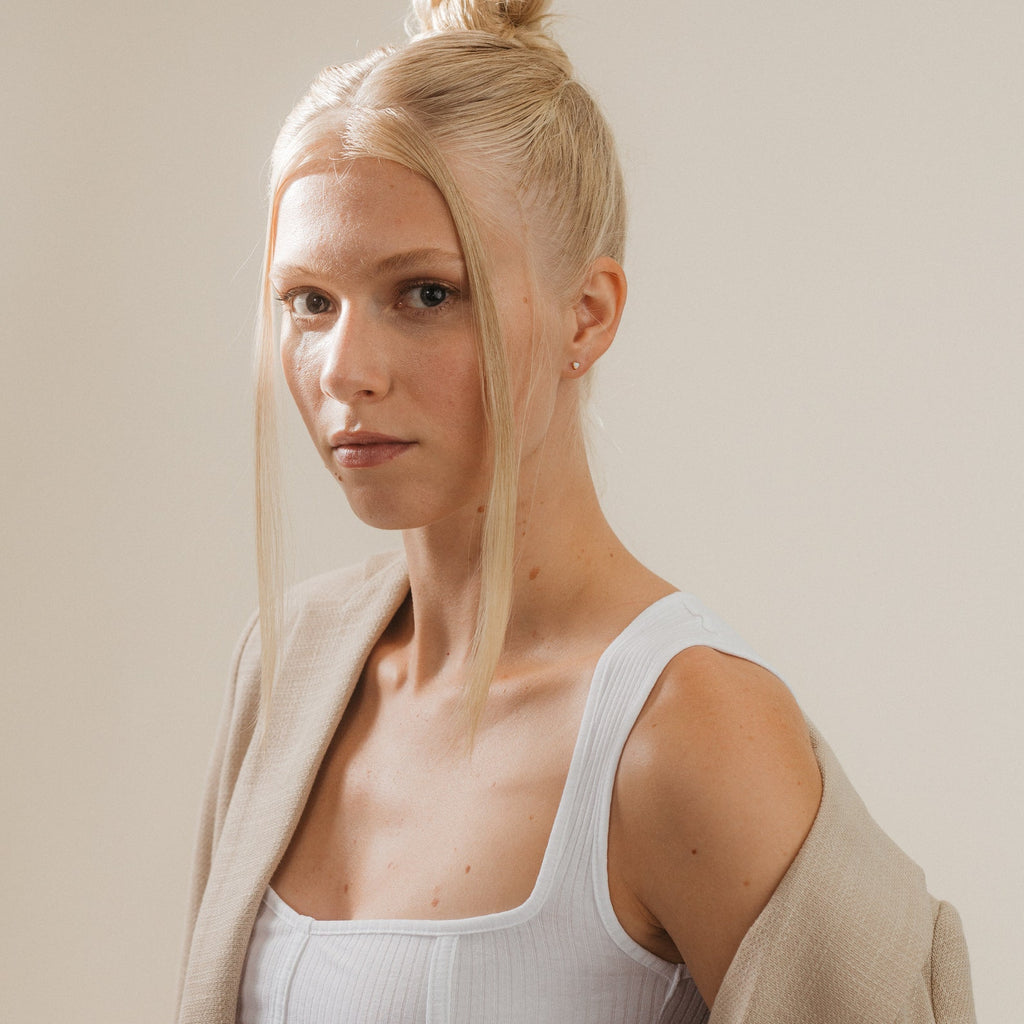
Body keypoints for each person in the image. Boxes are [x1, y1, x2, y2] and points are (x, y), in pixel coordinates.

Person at [177, 2, 975, 1021]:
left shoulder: (686, 730)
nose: (346, 369)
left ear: (585, 314)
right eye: (308, 301)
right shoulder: (290, 671)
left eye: (425, 293)